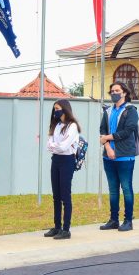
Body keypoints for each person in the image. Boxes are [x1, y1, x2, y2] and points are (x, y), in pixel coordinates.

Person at [99, 81, 139, 232]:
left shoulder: (131, 110)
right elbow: (102, 130)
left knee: (126, 188)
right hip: (108, 157)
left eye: (117, 90)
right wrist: (108, 147)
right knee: (113, 190)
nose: (114, 93)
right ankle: (113, 220)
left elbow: (128, 131)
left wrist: (107, 138)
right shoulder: (108, 111)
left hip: (125, 156)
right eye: (112, 91)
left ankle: (128, 221)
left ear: (124, 93)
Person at [45, 99, 81, 240]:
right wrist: (56, 145)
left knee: (65, 196)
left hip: (67, 160)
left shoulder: (72, 126)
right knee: (56, 196)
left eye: (58, 108)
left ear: (65, 109)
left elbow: (63, 146)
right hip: (56, 160)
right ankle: (57, 226)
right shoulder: (56, 125)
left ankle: (66, 229)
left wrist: (55, 145)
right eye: (54, 108)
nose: (56, 111)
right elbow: (49, 145)